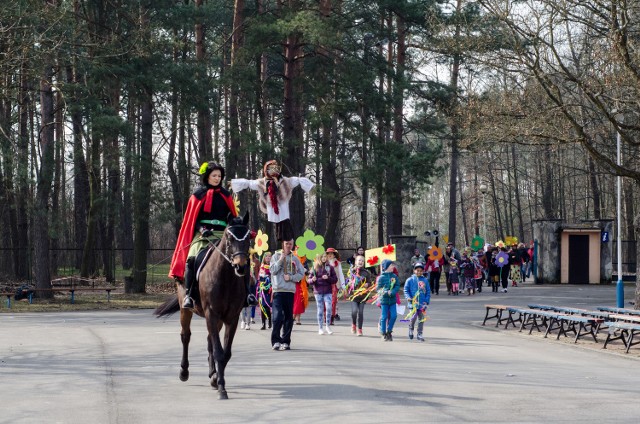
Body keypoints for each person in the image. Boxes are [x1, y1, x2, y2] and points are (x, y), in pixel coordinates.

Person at [169, 161, 255, 309]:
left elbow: (232, 217)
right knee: (192, 258)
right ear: (207, 176)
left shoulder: (226, 195)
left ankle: (247, 293)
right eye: (214, 175)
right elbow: (191, 220)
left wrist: (240, 229)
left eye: (219, 176)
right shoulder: (197, 195)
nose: (217, 178)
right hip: (203, 235)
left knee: (241, 259)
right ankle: (189, 295)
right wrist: (202, 230)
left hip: (223, 235)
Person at [230, 160, 314, 242]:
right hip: (271, 212)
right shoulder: (262, 183)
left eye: (276, 168)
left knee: (287, 232)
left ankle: (287, 244)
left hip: (284, 213)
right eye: (271, 168)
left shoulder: (284, 181)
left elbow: (297, 180)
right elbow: (249, 183)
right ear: (266, 170)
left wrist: (310, 187)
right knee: (275, 232)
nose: (274, 170)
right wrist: (234, 183)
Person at [269, 239, 305, 350]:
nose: (288, 246)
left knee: (288, 317)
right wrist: (280, 260)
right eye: (286, 244)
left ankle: (286, 341)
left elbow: (301, 273)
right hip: (278, 290)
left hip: (289, 291)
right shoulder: (275, 256)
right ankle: (275, 341)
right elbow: (272, 270)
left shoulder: (294, 258)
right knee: (277, 316)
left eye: (290, 244)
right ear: (283, 244)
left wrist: (291, 278)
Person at [308, 252, 337, 335]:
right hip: (318, 292)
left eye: (325, 256)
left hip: (328, 292)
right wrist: (312, 280)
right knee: (320, 310)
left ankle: (328, 326)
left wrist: (328, 278)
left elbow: (335, 279)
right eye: (322, 257)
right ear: (319, 258)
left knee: (328, 308)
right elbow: (309, 280)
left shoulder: (330, 267)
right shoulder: (314, 267)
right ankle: (320, 328)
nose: (324, 258)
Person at [403, 262, 431, 342]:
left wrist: (426, 301)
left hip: (422, 304)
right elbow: (406, 290)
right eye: (417, 270)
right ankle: (411, 329)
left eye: (421, 270)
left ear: (423, 271)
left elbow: (428, 292)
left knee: (421, 319)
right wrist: (408, 297)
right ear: (414, 270)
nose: (419, 272)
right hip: (413, 304)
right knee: (413, 318)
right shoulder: (410, 280)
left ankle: (420, 334)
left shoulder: (425, 280)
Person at [347, 255, 373, 336]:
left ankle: (360, 329)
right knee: (354, 311)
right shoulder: (351, 271)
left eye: (362, 261)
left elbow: (370, 283)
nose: (360, 262)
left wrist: (367, 284)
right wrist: (350, 282)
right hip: (354, 296)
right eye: (359, 260)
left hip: (363, 296)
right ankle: (354, 325)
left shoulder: (366, 273)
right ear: (355, 262)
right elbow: (347, 282)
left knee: (360, 312)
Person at [376, 259, 401, 341]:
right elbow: (378, 289)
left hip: (393, 301)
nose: (393, 266)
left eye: (393, 265)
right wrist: (386, 292)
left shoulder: (394, 276)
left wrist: (393, 292)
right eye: (391, 265)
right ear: (386, 267)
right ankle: (383, 333)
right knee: (384, 317)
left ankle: (389, 331)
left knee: (394, 316)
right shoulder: (381, 278)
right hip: (384, 301)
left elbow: (397, 286)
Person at [325, 248, 345, 325]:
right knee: (325, 302)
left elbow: (341, 274)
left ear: (334, 255)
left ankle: (331, 317)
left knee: (333, 301)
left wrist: (343, 286)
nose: (330, 255)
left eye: (331, 253)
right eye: (328, 253)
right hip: (325, 284)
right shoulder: (323, 262)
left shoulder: (337, 263)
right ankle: (326, 316)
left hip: (335, 284)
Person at [292, 247, 309, 325]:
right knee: (294, 301)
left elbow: (307, 272)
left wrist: (305, 270)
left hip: (301, 284)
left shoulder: (304, 260)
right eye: (298, 250)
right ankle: (293, 317)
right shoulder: (292, 259)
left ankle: (297, 319)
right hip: (293, 283)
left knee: (300, 300)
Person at [257, 252, 273, 330]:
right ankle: (263, 323)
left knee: (268, 306)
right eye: (266, 256)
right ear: (264, 258)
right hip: (263, 289)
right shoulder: (262, 266)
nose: (268, 258)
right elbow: (259, 278)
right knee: (263, 306)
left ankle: (270, 321)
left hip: (271, 289)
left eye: (270, 256)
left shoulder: (273, 266)